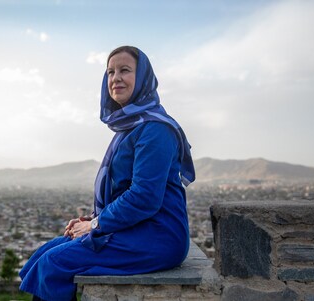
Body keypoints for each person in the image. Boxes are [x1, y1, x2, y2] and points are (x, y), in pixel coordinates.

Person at [19, 46, 195, 301]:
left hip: (157, 236)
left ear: (144, 77)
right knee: (47, 251)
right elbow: (121, 189)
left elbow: (144, 197)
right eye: (110, 72)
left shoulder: (155, 129)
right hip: (135, 228)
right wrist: (90, 220)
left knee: (55, 262)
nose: (116, 78)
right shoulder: (130, 126)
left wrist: (95, 225)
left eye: (125, 70)